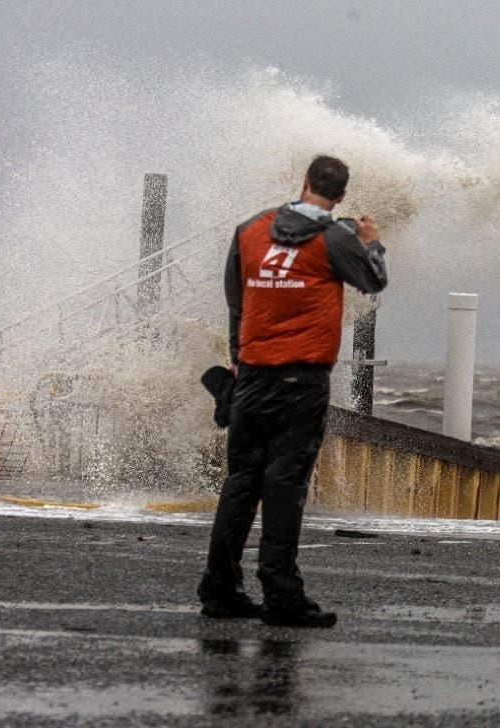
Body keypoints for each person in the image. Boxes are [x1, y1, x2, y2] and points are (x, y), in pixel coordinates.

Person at [198, 155, 388, 628]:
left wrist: (238, 358)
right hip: (301, 380)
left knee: (241, 484)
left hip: (252, 376)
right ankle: (282, 596)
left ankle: (219, 589)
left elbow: (236, 301)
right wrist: (373, 242)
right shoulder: (335, 240)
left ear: (303, 182)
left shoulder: (249, 230)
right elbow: (374, 280)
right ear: (341, 196)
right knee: (284, 487)